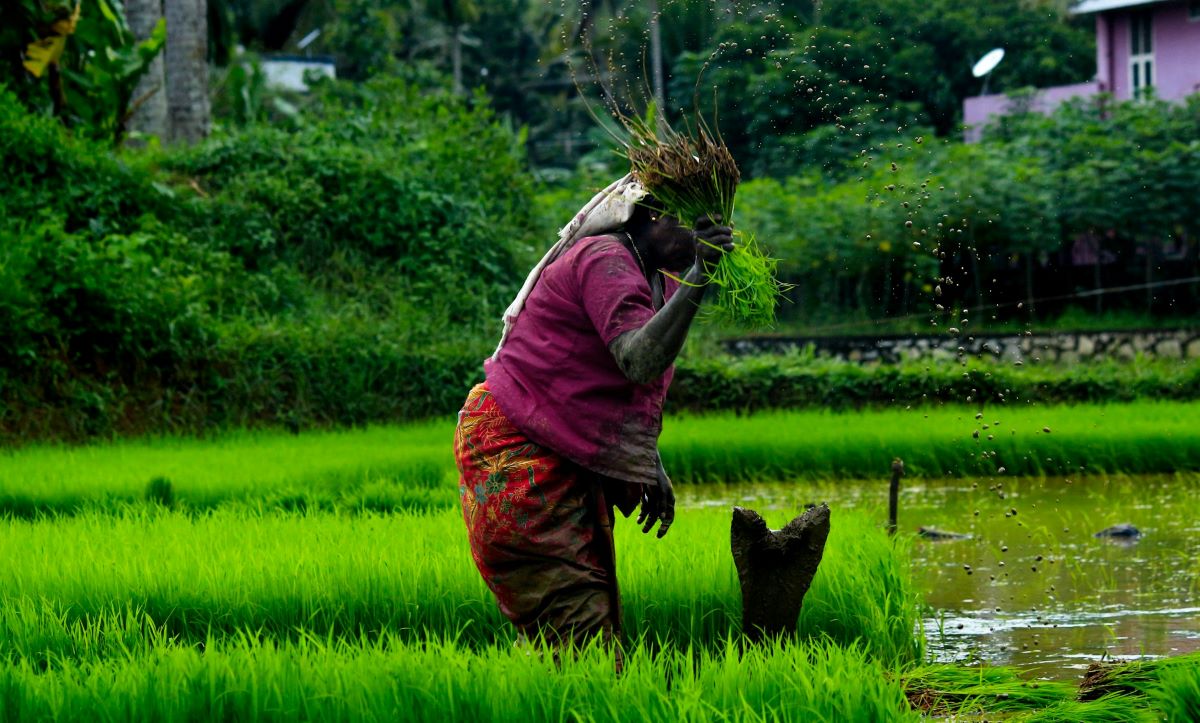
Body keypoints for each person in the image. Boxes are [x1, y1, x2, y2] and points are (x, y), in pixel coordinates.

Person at [453, 174, 733, 666]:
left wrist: (649, 464)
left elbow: (607, 390)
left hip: (552, 443)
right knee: (582, 638)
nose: (704, 235)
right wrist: (702, 276)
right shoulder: (604, 259)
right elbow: (637, 360)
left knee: (570, 637)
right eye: (695, 223)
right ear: (655, 215)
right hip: (517, 454)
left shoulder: (655, 275)